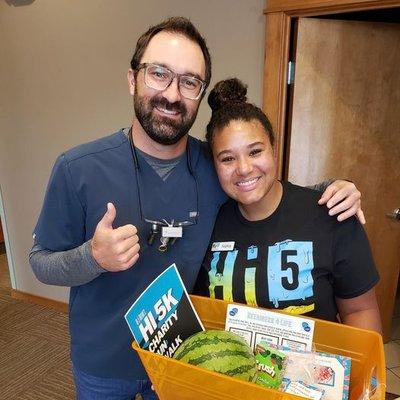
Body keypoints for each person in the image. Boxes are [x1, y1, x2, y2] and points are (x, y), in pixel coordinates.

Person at [29, 17, 366, 400]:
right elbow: (40, 261)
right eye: (158, 74)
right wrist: (92, 256)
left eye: (189, 82)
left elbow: (261, 186)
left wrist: (329, 192)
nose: (172, 94)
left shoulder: (215, 165)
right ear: (132, 79)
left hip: (185, 355)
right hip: (104, 364)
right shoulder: (78, 168)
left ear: (199, 94)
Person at [194, 78, 381, 333]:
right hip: (231, 371)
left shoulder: (333, 214)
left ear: (273, 149)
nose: (244, 168)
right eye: (227, 158)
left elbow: (361, 311)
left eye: (255, 151)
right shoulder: (207, 225)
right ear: (214, 164)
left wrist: (360, 371)